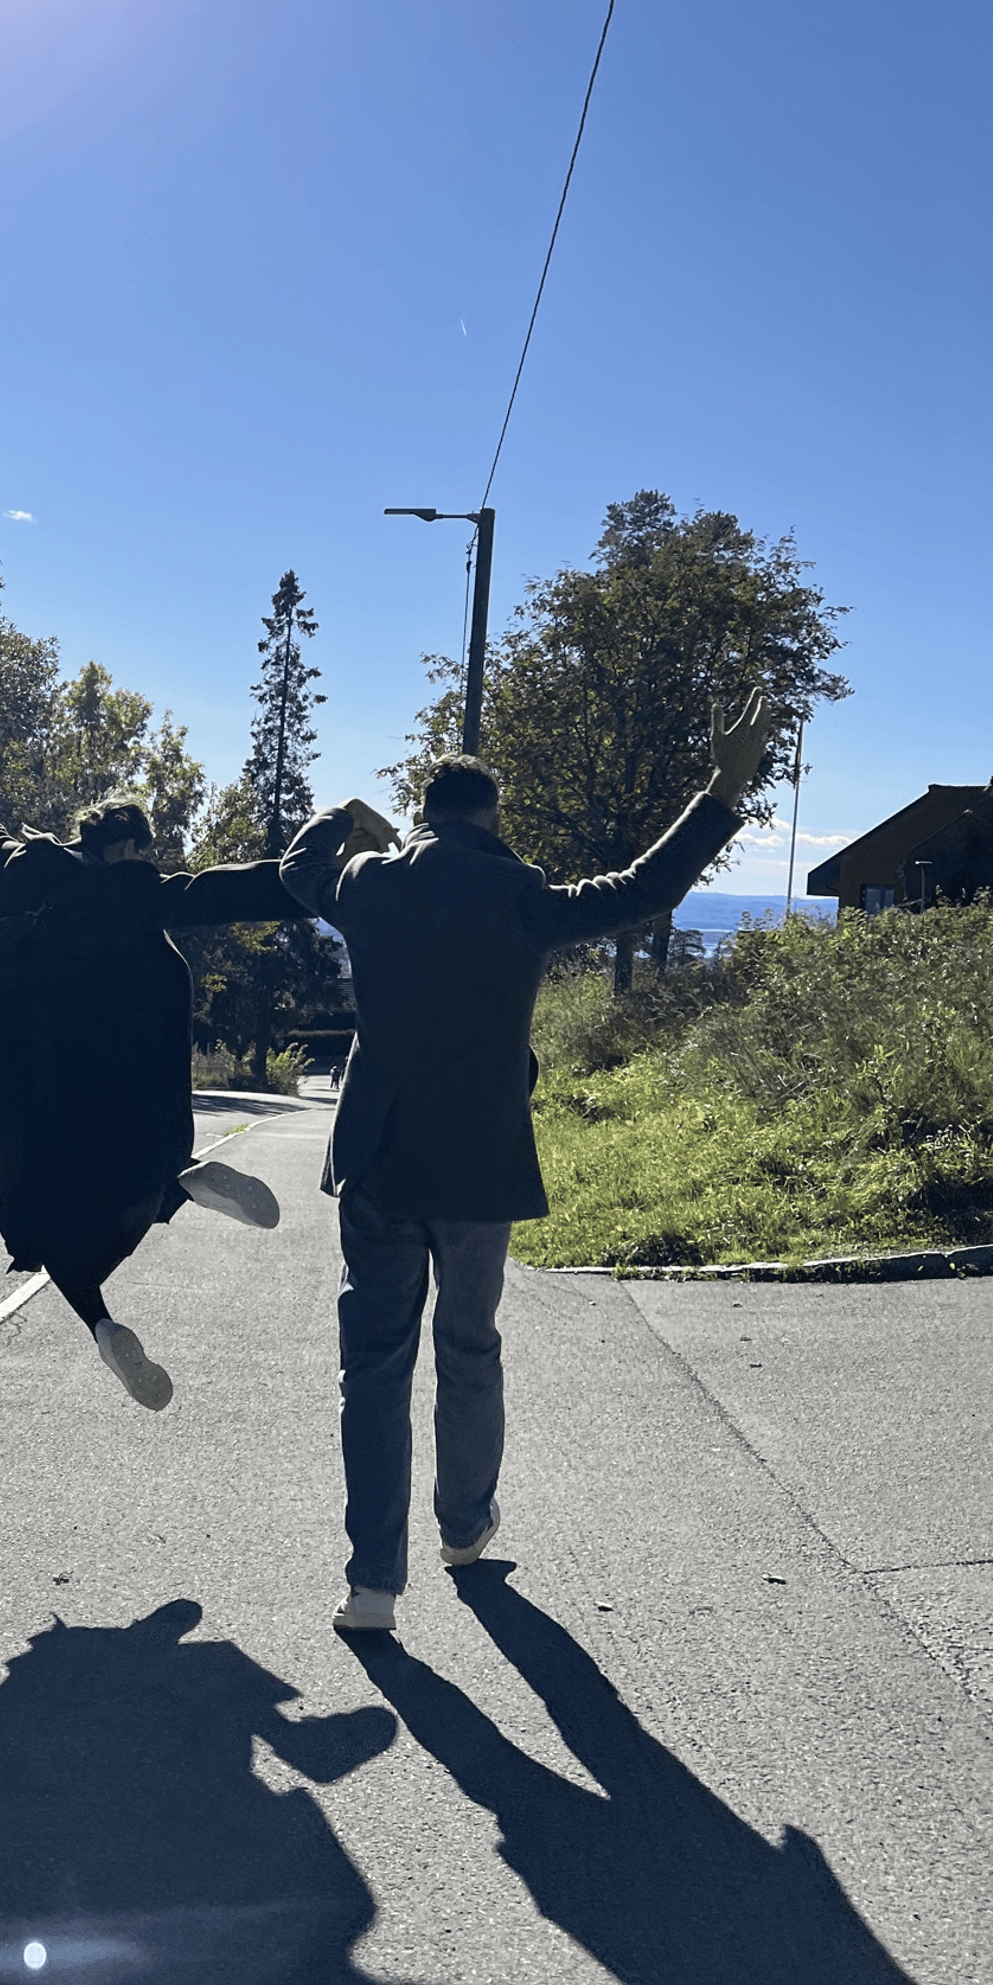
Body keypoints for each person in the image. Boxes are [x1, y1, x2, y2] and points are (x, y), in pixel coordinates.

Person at [279, 694, 772, 1634]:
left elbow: (304, 868)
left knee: (374, 1370)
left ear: (425, 815)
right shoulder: (522, 898)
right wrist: (722, 787)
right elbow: (645, 886)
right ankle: (464, 1527)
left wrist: (345, 819)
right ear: (492, 817)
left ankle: (372, 1586)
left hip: (379, 1164)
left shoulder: (371, 884)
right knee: (470, 1347)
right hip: (478, 1166)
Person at [0, 756, 299, 1411]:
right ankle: (185, 1183)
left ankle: (103, 1326)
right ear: (124, 845)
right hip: (109, 1088)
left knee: (44, 1214)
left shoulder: (22, 870)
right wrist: (317, 879)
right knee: (122, 1181)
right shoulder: (134, 896)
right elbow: (224, 890)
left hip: (13, 1086)